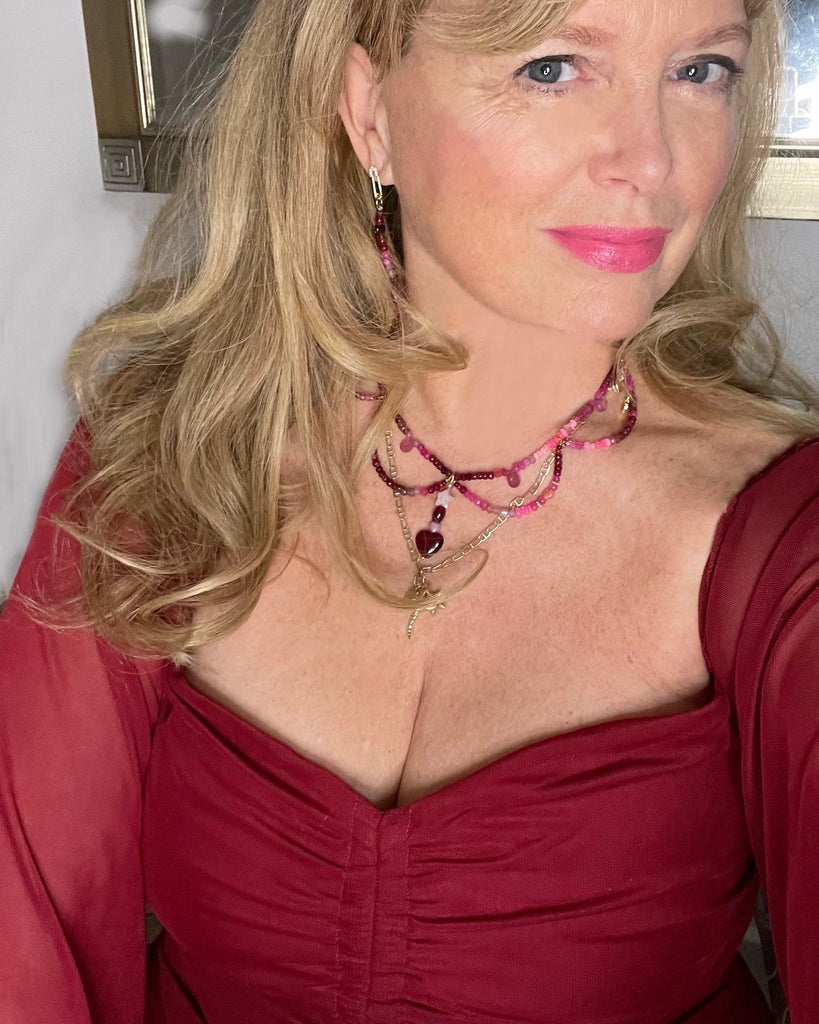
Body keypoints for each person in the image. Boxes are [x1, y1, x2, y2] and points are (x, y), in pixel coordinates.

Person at [1, 0, 817, 1020]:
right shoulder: (176, 462)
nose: (651, 160)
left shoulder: (780, 539)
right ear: (369, 109)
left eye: (701, 72)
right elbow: (23, 936)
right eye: (553, 68)